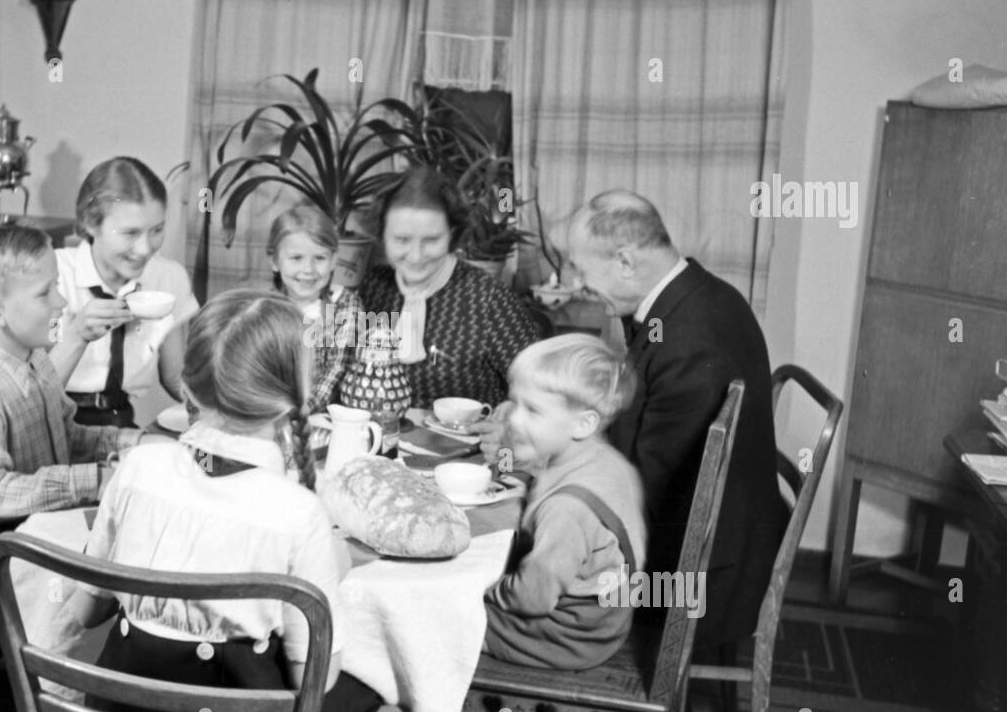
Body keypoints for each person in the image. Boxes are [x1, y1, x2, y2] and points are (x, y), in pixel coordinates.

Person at [63, 290, 382, 712]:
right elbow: (311, 679)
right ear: (288, 402)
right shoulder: (299, 513)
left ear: (186, 389)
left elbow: (86, 613)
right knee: (374, 683)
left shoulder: (137, 467)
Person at [478, 190, 786, 650]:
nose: (573, 281)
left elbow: (643, 492)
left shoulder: (690, 343)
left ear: (624, 261)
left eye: (580, 267)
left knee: (499, 568)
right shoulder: (695, 298)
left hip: (693, 580)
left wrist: (535, 458)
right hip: (717, 546)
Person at [0, 225, 143, 627]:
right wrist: (96, 479)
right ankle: (45, 683)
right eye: (45, 293)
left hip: (30, 527)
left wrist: (128, 441)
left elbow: (67, 435)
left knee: (130, 550)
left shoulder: (35, 357)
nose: (61, 301)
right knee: (106, 590)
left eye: (57, 285)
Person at [483, 335, 647, 670]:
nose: (515, 419)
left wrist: (484, 590)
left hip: (567, 636)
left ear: (584, 423)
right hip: (603, 621)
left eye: (533, 410)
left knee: (438, 617)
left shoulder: (567, 510)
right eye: (515, 403)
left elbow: (533, 597)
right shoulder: (606, 461)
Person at [358, 165, 540, 410]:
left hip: (470, 446)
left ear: (452, 234)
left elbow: (540, 389)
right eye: (401, 239)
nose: (415, 255)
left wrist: (506, 417)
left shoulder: (488, 299)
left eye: (431, 240)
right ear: (382, 234)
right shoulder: (373, 288)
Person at [50, 157, 199, 428]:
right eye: (129, 233)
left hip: (120, 422)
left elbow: (175, 376)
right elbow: (27, 395)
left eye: (156, 230)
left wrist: (220, 413)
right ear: (90, 224)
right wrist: (76, 335)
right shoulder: (52, 276)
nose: (144, 249)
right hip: (53, 424)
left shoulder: (168, 278)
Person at [267, 206, 364, 413]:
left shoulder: (344, 304)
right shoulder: (266, 306)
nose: (308, 269)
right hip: (273, 413)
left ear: (334, 260)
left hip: (328, 415)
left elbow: (337, 368)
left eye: (319, 258)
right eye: (296, 258)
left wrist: (306, 409)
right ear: (275, 261)